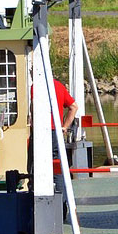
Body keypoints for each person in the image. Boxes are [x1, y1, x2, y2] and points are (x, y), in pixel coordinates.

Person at [28, 79, 78, 217]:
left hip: (40, 133)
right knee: (58, 170)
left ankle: (35, 207)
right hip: (56, 133)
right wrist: (65, 127)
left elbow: (33, 110)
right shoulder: (59, 86)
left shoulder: (36, 87)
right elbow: (73, 107)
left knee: (34, 168)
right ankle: (60, 207)